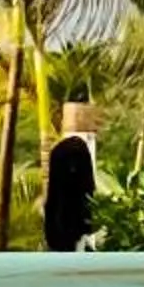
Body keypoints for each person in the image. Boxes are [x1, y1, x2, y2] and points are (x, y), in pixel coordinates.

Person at [40, 102, 99, 252]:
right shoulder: (73, 151)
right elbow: (87, 189)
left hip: (63, 222)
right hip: (72, 221)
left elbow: (53, 195)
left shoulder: (59, 152)